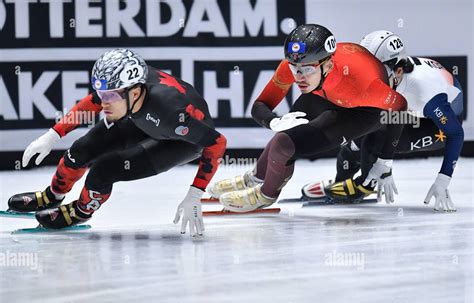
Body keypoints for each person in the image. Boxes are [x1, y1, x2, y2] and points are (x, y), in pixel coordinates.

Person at [8, 49, 227, 236]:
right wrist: (53, 135)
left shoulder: (172, 114)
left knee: (103, 171)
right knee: (80, 150)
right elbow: (92, 102)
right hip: (143, 119)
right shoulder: (130, 91)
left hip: (179, 142)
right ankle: (53, 195)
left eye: (110, 97)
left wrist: (195, 192)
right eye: (103, 95)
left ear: (135, 92)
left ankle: (81, 211)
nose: (103, 103)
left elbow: (217, 142)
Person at [207, 24, 407, 212]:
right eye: (295, 67)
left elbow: (400, 106)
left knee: (284, 144)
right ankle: (255, 178)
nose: (299, 76)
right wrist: (273, 121)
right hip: (326, 91)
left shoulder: (366, 85)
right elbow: (260, 105)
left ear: (327, 65)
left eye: (307, 69)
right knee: (286, 131)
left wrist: (385, 161)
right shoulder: (295, 67)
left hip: (364, 110)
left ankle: (266, 195)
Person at [302, 30, 464, 212]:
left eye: (376, 70)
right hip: (407, 107)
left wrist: (443, 179)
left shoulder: (425, 93)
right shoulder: (392, 75)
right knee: (353, 142)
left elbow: (456, 133)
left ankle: (363, 185)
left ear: (399, 70)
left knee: (373, 142)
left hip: (433, 124)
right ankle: (341, 181)